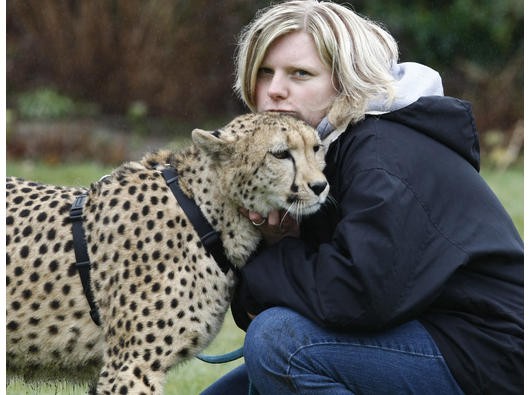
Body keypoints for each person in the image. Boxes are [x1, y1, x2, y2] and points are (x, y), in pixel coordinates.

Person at [201, 1, 523, 394]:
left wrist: (271, 258)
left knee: (279, 344)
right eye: (264, 72)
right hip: (414, 333)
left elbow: (356, 298)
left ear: (347, 82)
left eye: (300, 74)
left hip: (484, 357)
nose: (274, 90)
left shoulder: (382, 156)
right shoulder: (320, 150)